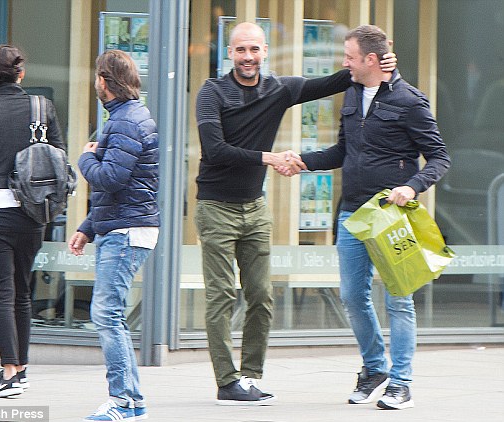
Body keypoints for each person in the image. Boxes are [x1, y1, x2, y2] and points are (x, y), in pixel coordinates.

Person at [194, 21, 397, 405]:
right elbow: (215, 149)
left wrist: (381, 62)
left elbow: (337, 80)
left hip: (255, 208)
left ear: (265, 51)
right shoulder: (212, 92)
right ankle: (226, 381)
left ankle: (251, 377)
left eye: (254, 50)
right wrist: (270, 158)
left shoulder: (279, 89)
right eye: (240, 50)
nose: (248, 57)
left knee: (261, 296)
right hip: (216, 207)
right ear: (230, 53)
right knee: (221, 295)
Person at [297, 25, 450, 410]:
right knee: (352, 296)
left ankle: (401, 383)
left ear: (370, 59)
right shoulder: (350, 93)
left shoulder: (410, 101)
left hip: (391, 217)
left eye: (349, 57)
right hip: (352, 213)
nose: (343, 63)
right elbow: (342, 153)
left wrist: (412, 187)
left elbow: (439, 157)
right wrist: (302, 162)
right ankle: (374, 368)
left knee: (399, 300)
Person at [0, 44, 65, 398]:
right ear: (22, 74)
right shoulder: (42, 108)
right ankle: (19, 366)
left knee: (2, 292)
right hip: (32, 213)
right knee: (22, 291)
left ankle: (9, 372)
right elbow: (60, 164)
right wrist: (49, 212)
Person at [68, 49, 159, 422]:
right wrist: (86, 229)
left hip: (126, 232)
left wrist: (85, 158)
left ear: (103, 81)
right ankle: (132, 401)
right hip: (121, 226)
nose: (94, 84)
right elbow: (116, 189)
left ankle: (122, 401)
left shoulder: (124, 122)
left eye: (96, 78)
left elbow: (109, 178)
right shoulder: (125, 117)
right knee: (111, 313)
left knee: (107, 313)